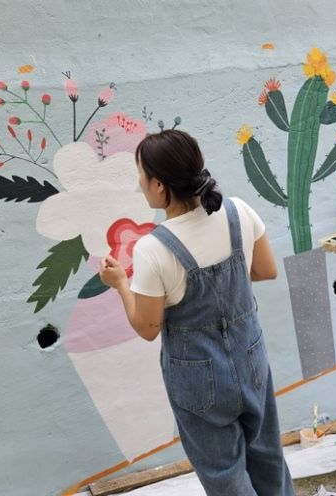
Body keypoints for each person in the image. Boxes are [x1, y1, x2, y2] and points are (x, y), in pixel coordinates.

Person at [99, 129, 294, 495]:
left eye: (141, 173)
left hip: (198, 377)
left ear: (159, 185)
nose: (139, 181)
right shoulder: (238, 212)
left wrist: (120, 284)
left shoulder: (153, 249)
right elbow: (266, 270)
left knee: (225, 475)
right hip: (251, 357)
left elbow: (147, 327)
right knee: (268, 456)